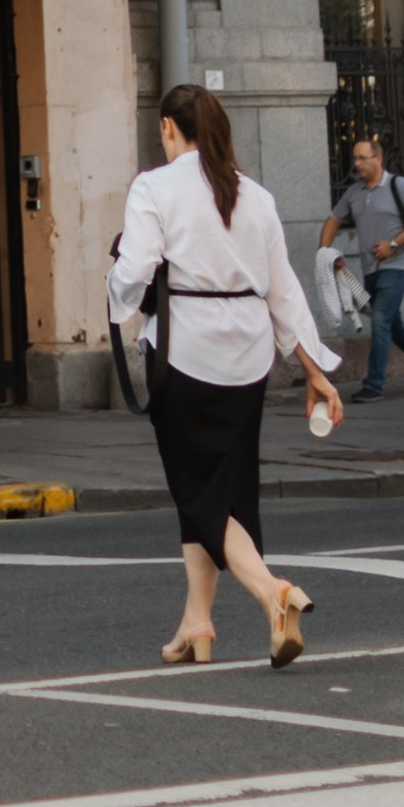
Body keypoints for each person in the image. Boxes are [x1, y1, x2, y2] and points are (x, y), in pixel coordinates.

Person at [111, 81, 342, 666]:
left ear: (168, 127)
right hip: (248, 357)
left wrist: (115, 295)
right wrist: (313, 368)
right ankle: (198, 623)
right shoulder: (255, 195)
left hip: (185, 355)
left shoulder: (154, 186)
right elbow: (283, 288)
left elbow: (134, 267)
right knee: (225, 492)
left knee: (200, 494)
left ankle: (274, 593)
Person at [320, 136, 404, 401]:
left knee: (381, 319)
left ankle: (373, 384)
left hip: (397, 266)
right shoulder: (354, 192)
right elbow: (333, 220)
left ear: (378, 159)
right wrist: (324, 255)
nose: (356, 163)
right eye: (355, 158)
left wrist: (393, 244)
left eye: (362, 158)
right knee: (393, 325)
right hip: (371, 270)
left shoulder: (397, 185)